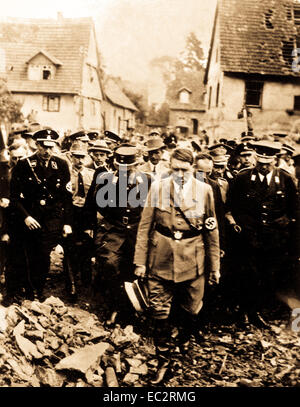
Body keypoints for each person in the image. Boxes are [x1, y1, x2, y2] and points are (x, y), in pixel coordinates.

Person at [134, 148, 220, 384]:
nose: (180, 174)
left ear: (192, 168)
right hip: (160, 257)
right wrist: (140, 262)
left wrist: (215, 267)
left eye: (184, 169)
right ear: (169, 167)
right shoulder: (158, 187)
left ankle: (181, 341)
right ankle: (164, 359)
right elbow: (144, 227)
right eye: (175, 169)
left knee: (191, 310)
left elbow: (212, 230)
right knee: (158, 311)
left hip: (193, 260)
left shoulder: (205, 191)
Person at [226, 140, 298, 327]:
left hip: (274, 239)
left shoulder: (285, 179)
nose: (264, 167)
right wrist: (240, 225)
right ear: (255, 160)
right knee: (246, 274)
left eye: (268, 163)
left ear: (274, 161)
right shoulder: (242, 178)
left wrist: (285, 224)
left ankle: (257, 312)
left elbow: (293, 210)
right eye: (261, 163)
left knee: (267, 276)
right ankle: (243, 312)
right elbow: (231, 207)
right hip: (248, 238)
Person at [9, 129, 73, 301]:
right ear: (36, 145)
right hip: (31, 216)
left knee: (44, 254)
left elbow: (67, 197)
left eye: (51, 147)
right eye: (44, 147)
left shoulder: (61, 164)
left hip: (52, 218)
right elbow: (14, 197)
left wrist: (66, 222)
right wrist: (26, 216)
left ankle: (39, 288)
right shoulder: (24, 165)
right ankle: (29, 289)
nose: (47, 151)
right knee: (30, 253)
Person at [93, 145, 152, 323]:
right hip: (114, 230)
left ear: (137, 165)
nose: (125, 172)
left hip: (137, 230)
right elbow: (96, 206)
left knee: (134, 269)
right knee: (110, 266)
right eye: (121, 168)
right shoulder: (107, 180)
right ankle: (114, 307)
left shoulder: (148, 180)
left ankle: (132, 309)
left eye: (130, 168)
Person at [62, 140, 95, 299]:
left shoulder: (92, 174)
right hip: (70, 213)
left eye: (82, 157)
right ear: (70, 156)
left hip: (87, 214)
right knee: (69, 249)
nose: (79, 160)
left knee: (86, 248)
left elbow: (95, 199)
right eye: (76, 157)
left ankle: (86, 282)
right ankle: (71, 286)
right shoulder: (65, 173)